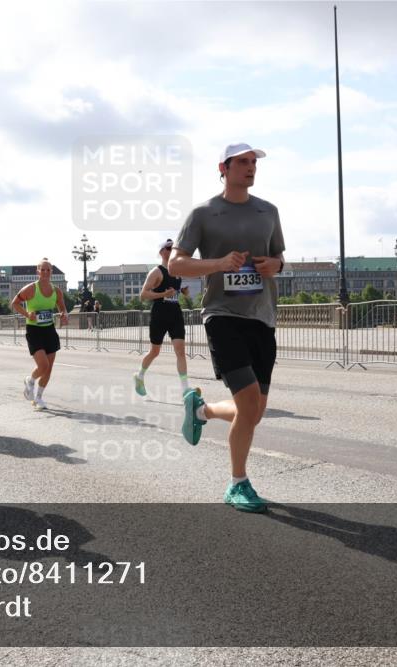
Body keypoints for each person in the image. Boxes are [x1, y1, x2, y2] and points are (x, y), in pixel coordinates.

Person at [169, 142, 285, 514]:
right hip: (222, 315)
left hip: (262, 316)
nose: (251, 168)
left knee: (253, 412)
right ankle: (238, 483)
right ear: (224, 167)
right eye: (243, 162)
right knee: (248, 403)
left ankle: (201, 411)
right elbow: (176, 264)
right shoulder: (204, 213)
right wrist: (218, 264)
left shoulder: (268, 211)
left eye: (254, 162)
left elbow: (281, 256)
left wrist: (275, 266)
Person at [134, 239, 191, 397]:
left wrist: (183, 291)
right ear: (161, 252)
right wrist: (163, 294)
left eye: (173, 247)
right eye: (168, 248)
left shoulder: (178, 271)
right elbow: (143, 294)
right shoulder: (156, 272)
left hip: (175, 313)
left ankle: (186, 389)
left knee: (180, 351)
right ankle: (139, 376)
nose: (172, 249)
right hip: (159, 314)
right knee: (154, 351)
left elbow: (177, 290)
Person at [11, 258, 69, 410]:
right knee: (43, 365)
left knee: (49, 368)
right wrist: (27, 314)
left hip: (49, 330)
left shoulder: (56, 291)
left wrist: (64, 315)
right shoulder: (30, 289)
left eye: (48, 270)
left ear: (51, 272)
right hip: (34, 331)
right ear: (38, 272)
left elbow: (62, 307)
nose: (45, 272)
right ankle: (30, 380)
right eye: (42, 269)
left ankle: (38, 398)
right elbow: (14, 303)